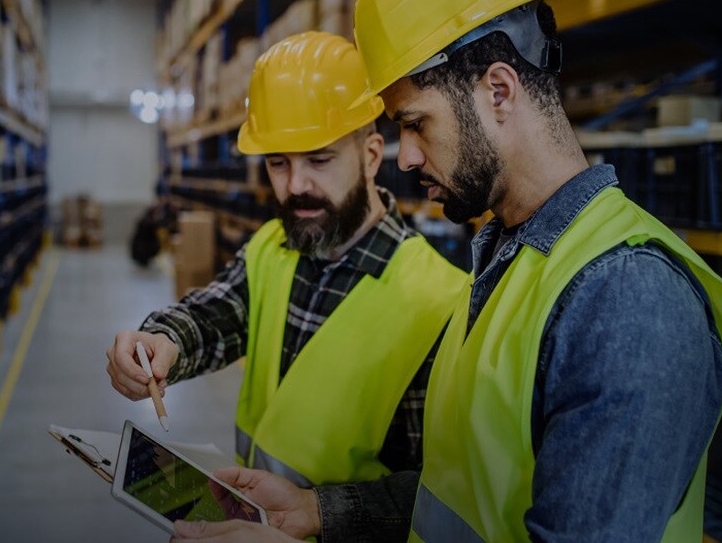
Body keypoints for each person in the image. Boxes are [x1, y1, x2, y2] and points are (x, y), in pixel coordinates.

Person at [170, 0, 722, 542]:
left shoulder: (626, 298)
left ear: (498, 89)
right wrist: (317, 511)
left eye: (415, 123)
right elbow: (459, 490)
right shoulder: (507, 262)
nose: (407, 156)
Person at [107, 31, 466, 491]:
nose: (295, 186)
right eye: (278, 163)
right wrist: (161, 341)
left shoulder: (438, 303)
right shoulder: (273, 246)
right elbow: (216, 314)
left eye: (319, 160)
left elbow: (428, 494)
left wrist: (322, 517)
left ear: (372, 156)